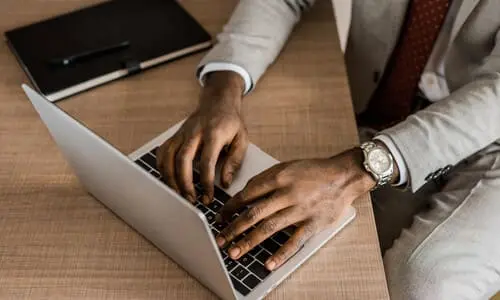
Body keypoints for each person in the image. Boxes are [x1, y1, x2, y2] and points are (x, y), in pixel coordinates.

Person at [156, 1, 500, 298]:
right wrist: (223, 89)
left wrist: (354, 171)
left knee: (421, 285)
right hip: (384, 115)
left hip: (492, 136)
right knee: (316, 256)